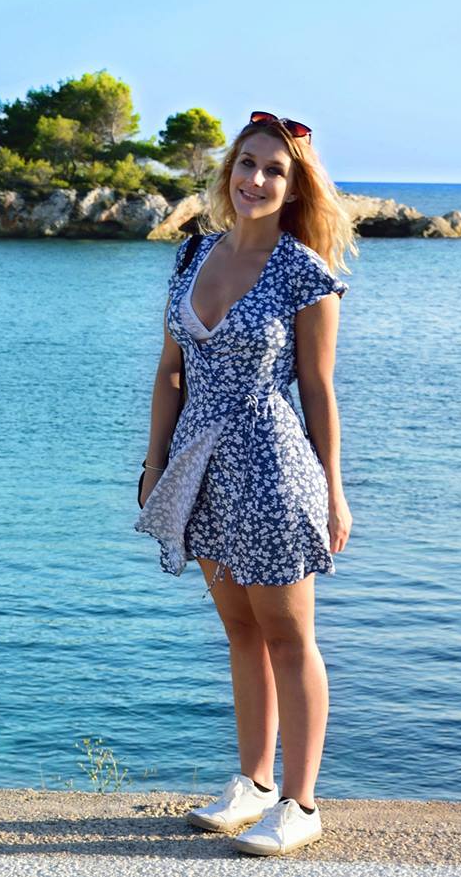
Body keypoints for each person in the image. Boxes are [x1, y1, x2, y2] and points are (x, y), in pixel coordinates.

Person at [133, 109, 356, 857]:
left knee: (289, 637)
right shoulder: (193, 254)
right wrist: (154, 462)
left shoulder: (304, 272)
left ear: (294, 186)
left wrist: (335, 491)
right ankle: (255, 783)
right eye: (247, 164)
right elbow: (170, 371)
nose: (256, 179)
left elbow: (318, 390)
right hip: (200, 467)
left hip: (272, 468)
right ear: (229, 170)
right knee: (239, 631)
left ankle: (301, 802)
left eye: (275, 170)